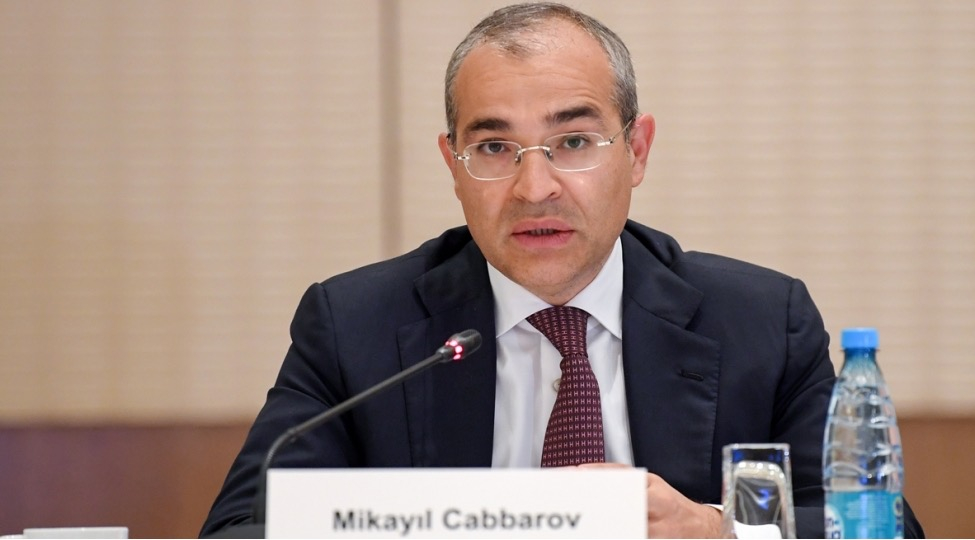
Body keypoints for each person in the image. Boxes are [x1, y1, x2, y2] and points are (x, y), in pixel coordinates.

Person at [201, 3, 923, 538]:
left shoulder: (760, 322)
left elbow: (880, 529)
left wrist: (719, 530)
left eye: (573, 141)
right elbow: (240, 529)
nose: (535, 188)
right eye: (494, 149)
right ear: (452, 164)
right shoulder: (355, 325)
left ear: (636, 152)